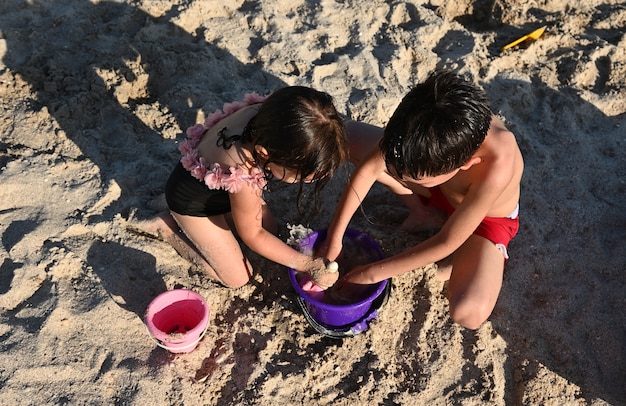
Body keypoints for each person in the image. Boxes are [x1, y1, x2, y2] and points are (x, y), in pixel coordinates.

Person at [320, 71, 523, 329]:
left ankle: (471, 251)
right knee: (346, 137)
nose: (396, 173)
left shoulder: (498, 161)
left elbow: (447, 241)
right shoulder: (421, 121)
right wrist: (334, 237)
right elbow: (370, 168)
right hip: (437, 189)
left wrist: (370, 273)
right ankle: (423, 212)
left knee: (468, 312)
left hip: (485, 221)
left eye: (416, 177)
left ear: (467, 164)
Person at [142, 86, 348, 289]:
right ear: (264, 154)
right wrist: (307, 264)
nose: (307, 182)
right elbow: (254, 235)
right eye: (300, 177)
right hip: (192, 206)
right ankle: (167, 227)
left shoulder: (274, 117)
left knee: (272, 229)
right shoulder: (243, 173)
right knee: (238, 278)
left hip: (210, 187)